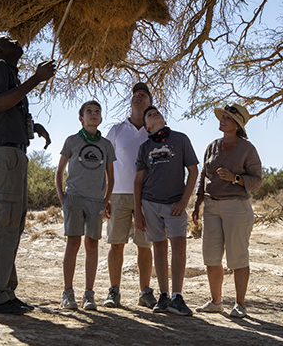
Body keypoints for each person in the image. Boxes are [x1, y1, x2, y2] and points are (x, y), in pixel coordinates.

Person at [0, 35, 56, 315]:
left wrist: (33, 127)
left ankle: (5, 291)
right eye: (9, 40)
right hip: (5, 155)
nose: (17, 41)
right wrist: (37, 78)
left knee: (12, 222)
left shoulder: (9, 73)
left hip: (13, 154)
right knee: (2, 222)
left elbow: (5, 111)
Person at [191, 103, 262, 318]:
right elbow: (204, 174)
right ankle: (216, 302)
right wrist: (198, 202)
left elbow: (257, 180)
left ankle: (240, 304)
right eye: (222, 117)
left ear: (238, 125)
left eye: (227, 118)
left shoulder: (247, 149)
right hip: (211, 206)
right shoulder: (212, 146)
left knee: (238, 257)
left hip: (236, 207)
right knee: (211, 257)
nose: (222, 120)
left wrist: (236, 178)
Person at [134, 105, 199, 316]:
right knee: (158, 248)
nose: (153, 113)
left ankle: (177, 296)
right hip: (150, 203)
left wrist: (184, 201)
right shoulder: (144, 147)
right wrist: (138, 210)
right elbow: (138, 181)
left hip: (174, 204)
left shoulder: (180, 139)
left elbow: (193, 171)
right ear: (146, 126)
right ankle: (163, 295)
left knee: (179, 246)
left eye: (156, 112)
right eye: (149, 115)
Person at [55, 100, 116, 311]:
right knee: (73, 243)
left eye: (97, 112)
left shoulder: (106, 145)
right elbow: (59, 172)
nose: (93, 114)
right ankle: (67, 293)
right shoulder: (72, 141)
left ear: (101, 118)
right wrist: (63, 198)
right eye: (89, 112)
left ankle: (89, 295)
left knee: (92, 245)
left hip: (95, 201)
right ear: (81, 118)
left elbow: (111, 177)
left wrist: (105, 202)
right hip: (74, 198)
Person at [102, 83, 158, 308]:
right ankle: (113, 291)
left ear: (149, 103)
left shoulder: (155, 132)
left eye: (143, 94)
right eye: (135, 94)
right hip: (117, 195)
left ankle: (145, 292)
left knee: (145, 246)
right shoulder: (116, 130)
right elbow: (104, 163)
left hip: (147, 197)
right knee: (116, 244)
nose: (138, 96)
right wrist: (105, 196)